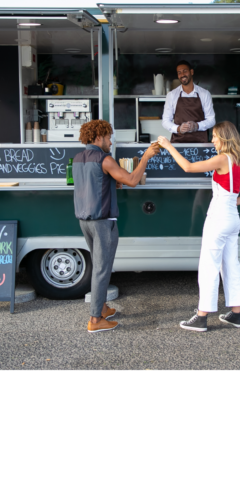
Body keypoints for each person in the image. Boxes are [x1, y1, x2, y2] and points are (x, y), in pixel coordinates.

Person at [157, 121, 240, 331]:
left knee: (208, 267)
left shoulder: (222, 159)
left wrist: (168, 145)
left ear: (225, 138)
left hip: (218, 218)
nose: (212, 140)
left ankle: (201, 317)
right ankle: (236, 315)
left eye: (214, 136)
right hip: (232, 218)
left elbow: (188, 167)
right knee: (231, 265)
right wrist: (231, 202)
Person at [74, 119, 159, 333]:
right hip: (103, 221)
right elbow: (131, 179)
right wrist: (146, 158)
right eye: (108, 137)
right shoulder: (105, 159)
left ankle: (101, 308)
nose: (110, 142)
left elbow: (94, 184)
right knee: (102, 269)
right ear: (98, 137)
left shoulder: (78, 159)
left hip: (85, 220)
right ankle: (95, 320)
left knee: (99, 266)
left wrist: (112, 182)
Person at [162, 60, 215, 144]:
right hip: (178, 143)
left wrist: (197, 126)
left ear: (191, 72)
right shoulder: (172, 95)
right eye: (179, 72)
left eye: (185, 71)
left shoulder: (204, 94)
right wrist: (178, 128)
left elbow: (211, 120)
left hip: (200, 143)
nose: (182, 75)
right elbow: (165, 121)